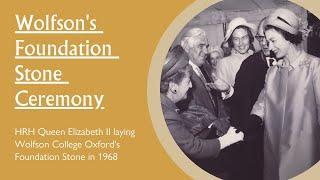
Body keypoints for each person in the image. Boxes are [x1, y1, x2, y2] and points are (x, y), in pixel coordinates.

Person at [251, 8, 320, 180]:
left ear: (289, 37)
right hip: (273, 150)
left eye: (273, 40)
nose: (269, 46)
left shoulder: (314, 67)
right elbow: (263, 101)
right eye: (267, 41)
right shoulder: (272, 72)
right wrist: (254, 118)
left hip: (303, 152)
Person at [160, 45, 244, 164]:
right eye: (188, 82)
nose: (190, 86)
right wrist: (227, 139)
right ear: (173, 87)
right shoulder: (167, 115)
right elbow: (194, 147)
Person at [224, 17, 274, 180]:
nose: (265, 43)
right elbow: (239, 103)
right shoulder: (248, 65)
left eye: (269, 37)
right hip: (256, 136)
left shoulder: (290, 63)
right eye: (261, 38)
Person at [216, 17, 256, 87]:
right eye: (236, 39)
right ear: (231, 41)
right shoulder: (224, 64)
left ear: (249, 38)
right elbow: (223, 94)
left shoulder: (256, 58)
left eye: (244, 38)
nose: (241, 43)